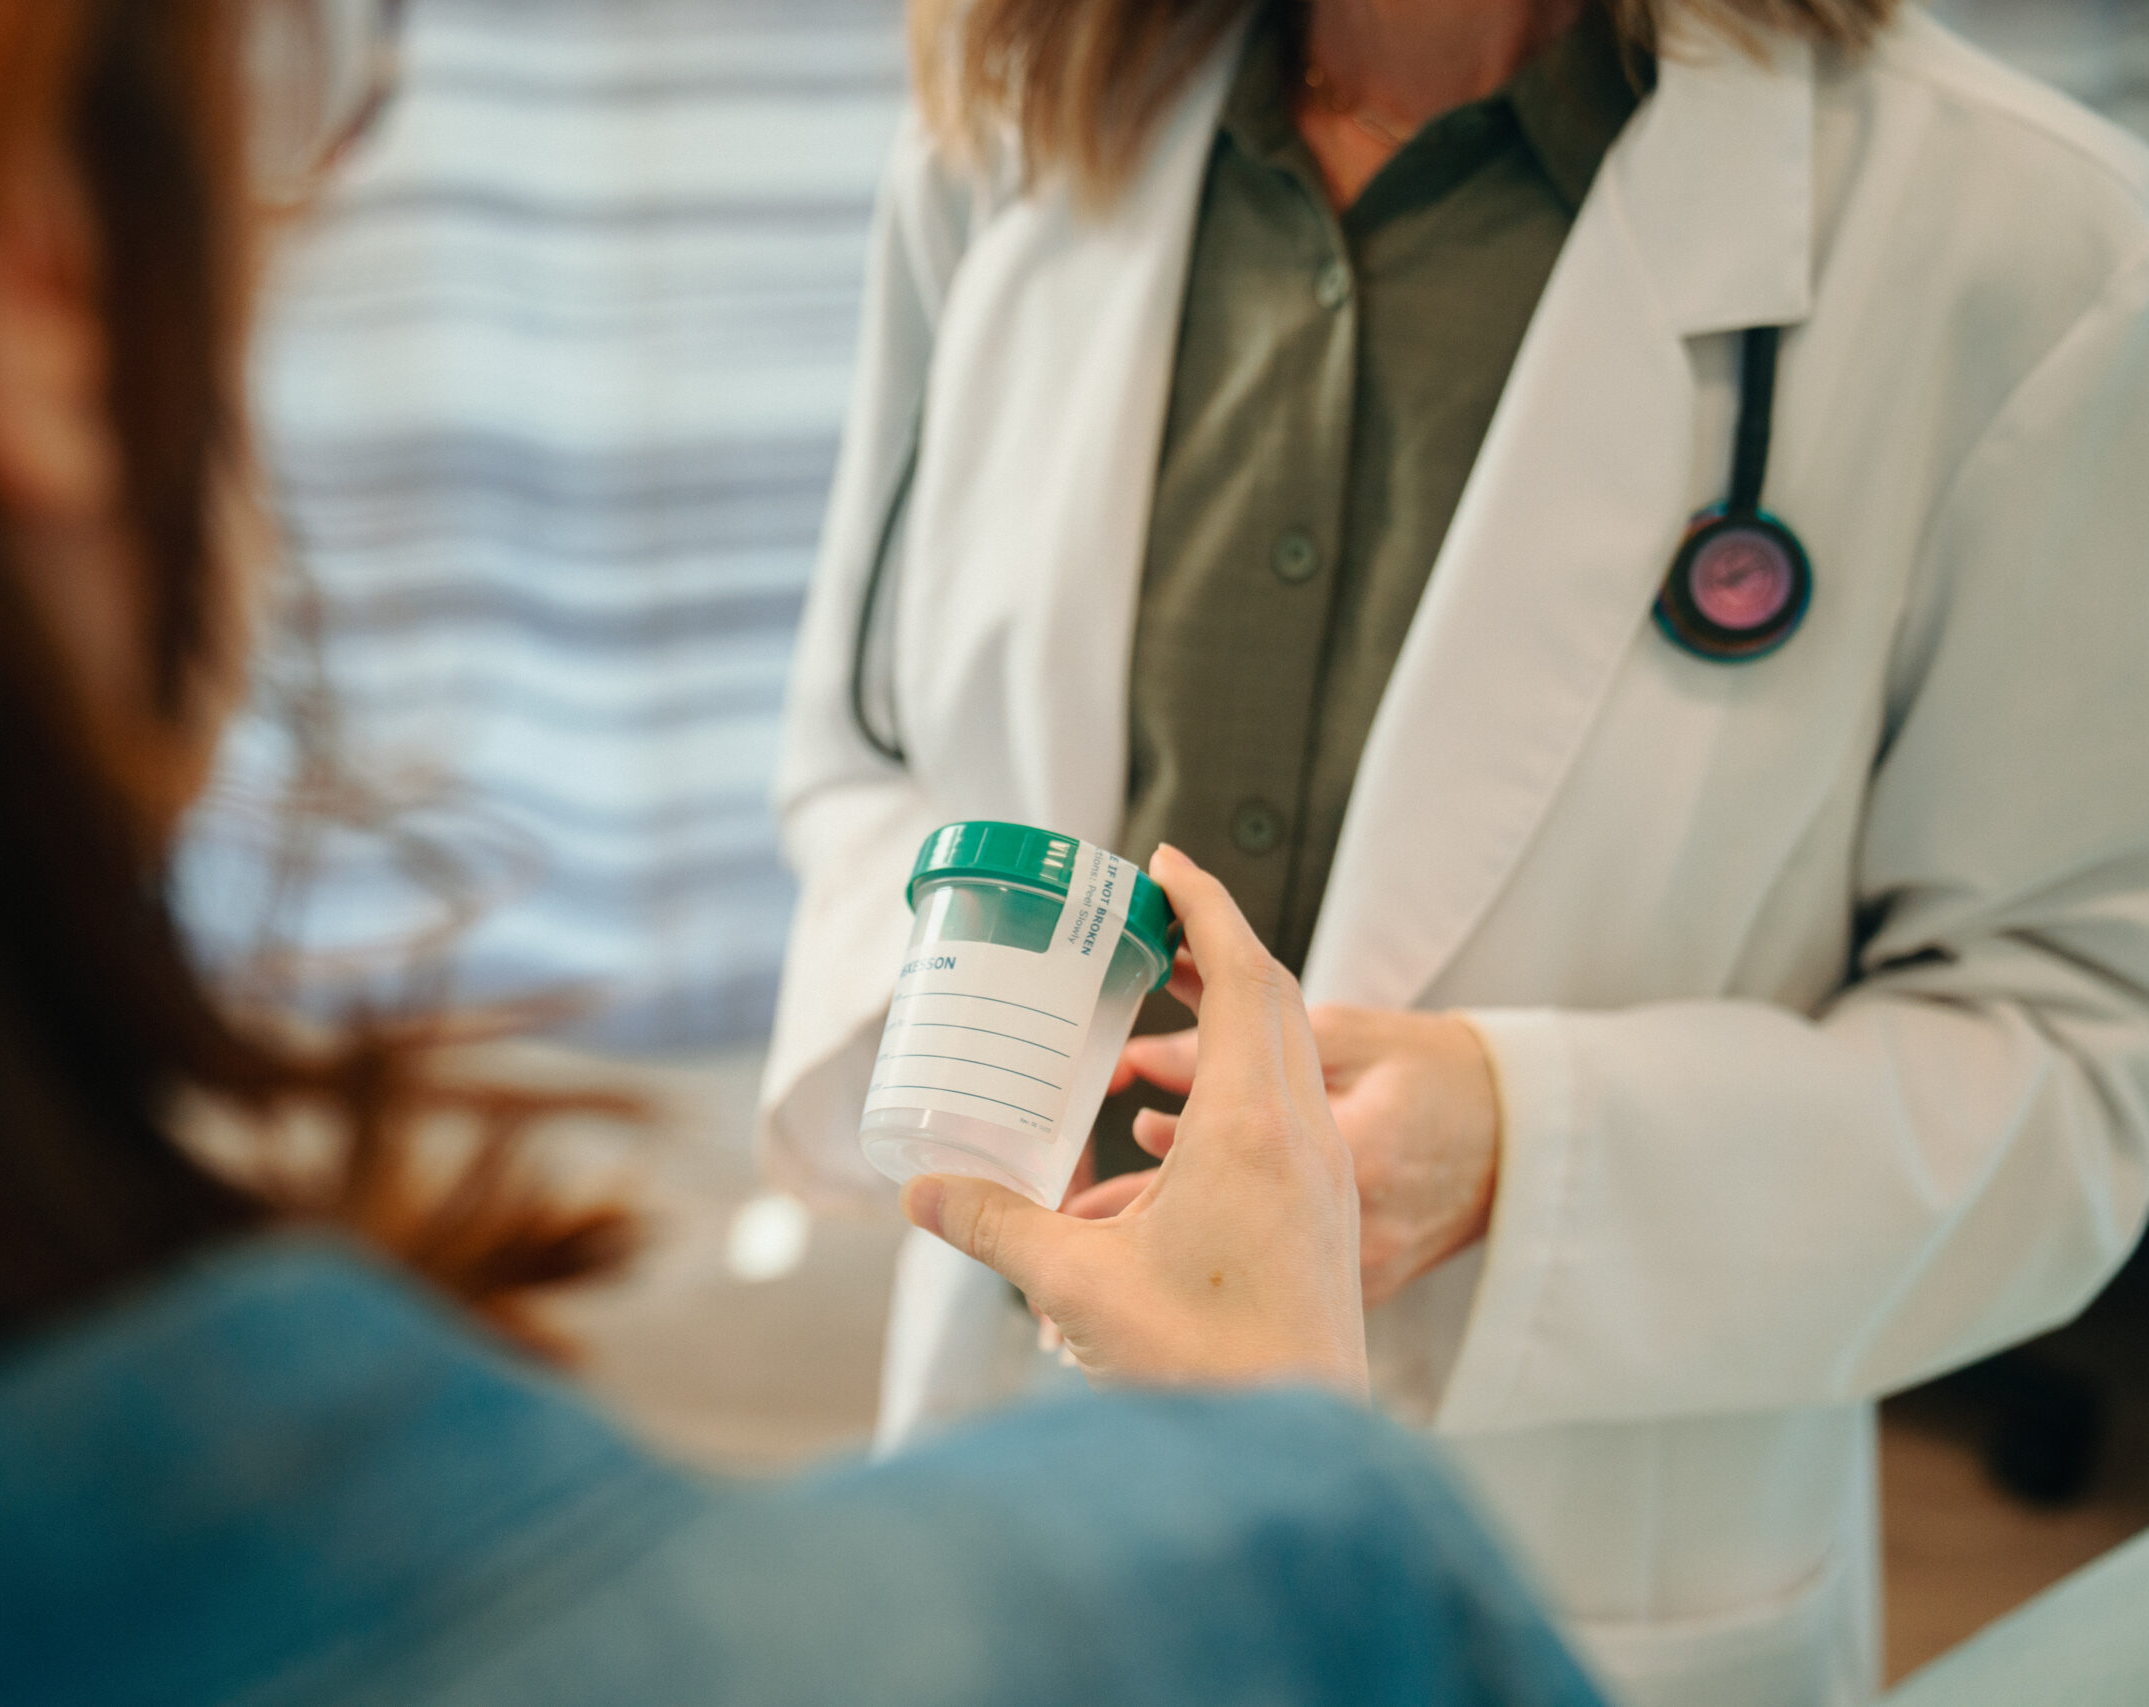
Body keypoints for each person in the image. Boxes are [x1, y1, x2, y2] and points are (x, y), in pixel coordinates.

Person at [0, 5, 1605, 1705]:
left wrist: (1534, 1127)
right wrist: (1271, 1438)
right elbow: (852, 749)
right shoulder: (1289, 1587)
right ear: (44, 283)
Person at [760, 0, 2149, 1702]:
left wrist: (1523, 1153)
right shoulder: (1009, 133)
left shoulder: (2034, 248)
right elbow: (862, 761)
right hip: (1017, 1483)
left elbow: (2079, 1057)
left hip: (1577, 1564)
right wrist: (979, 1042)